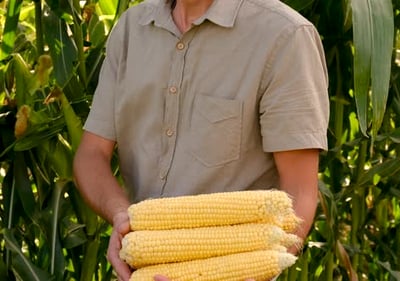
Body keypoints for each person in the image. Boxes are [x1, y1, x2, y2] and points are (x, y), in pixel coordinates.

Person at [73, 0, 329, 280]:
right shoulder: (131, 29)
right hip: (141, 271)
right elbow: (92, 154)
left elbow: (300, 193)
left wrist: (251, 272)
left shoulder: (284, 37)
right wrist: (122, 217)